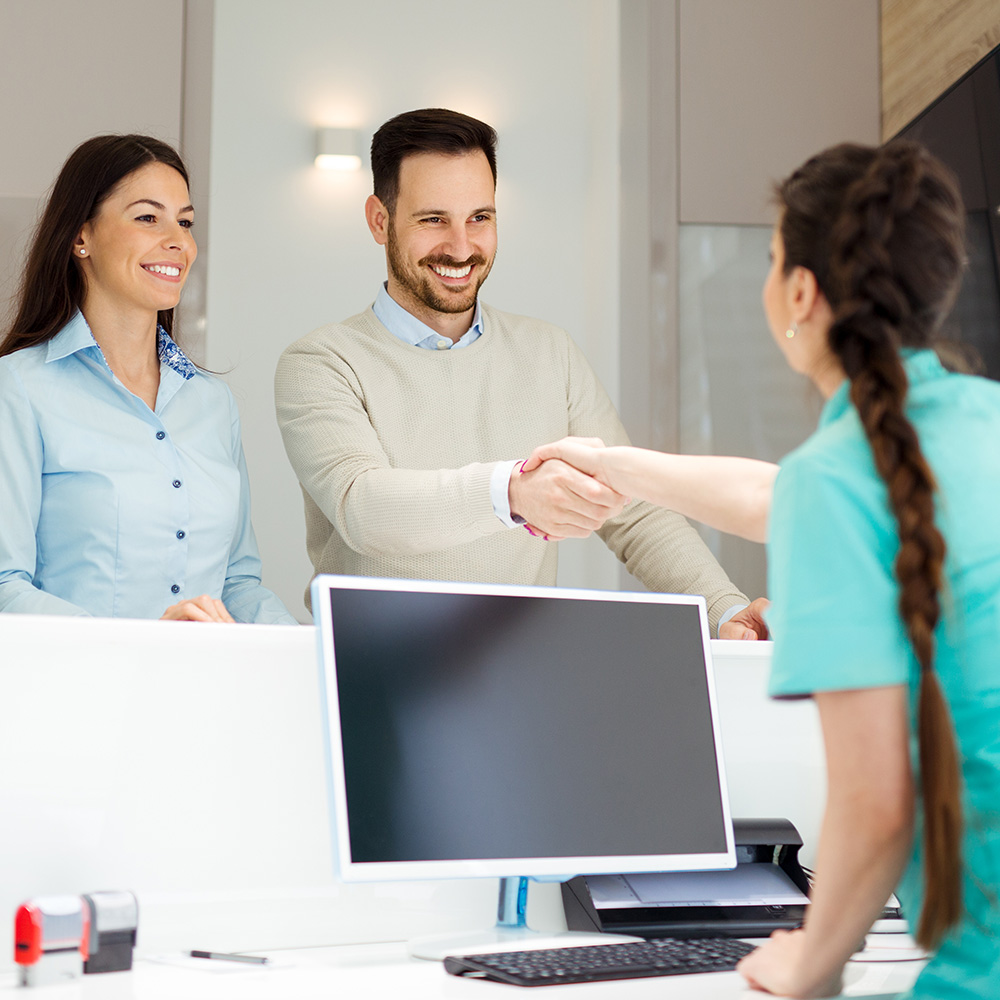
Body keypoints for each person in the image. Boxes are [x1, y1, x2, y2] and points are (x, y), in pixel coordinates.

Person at [526, 140, 1000, 997]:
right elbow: (772, 495)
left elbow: (877, 801)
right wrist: (615, 462)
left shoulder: (841, 479)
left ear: (801, 293)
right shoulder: (976, 424)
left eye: (774, 256)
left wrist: (810, 959)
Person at [274, 108, 766, 638]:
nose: (461, 248)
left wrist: (723, 608)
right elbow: (363, 507)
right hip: (370, 671)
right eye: (433, 219)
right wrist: (511, 492)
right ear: (379, 220)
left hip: (518, 671)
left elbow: (634, 510)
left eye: (479, 218)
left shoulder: (550, 353)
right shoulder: (322, 362)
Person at [0, 134, 294, 624]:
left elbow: (238, 584)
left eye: (185, 222)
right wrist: (142, 648)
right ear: (81, 237)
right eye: (146, 217)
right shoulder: (18, 389)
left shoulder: (213, 404)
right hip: (72, 693)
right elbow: (4, 587)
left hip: (202, 692)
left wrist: (305, 647)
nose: (178, 240)